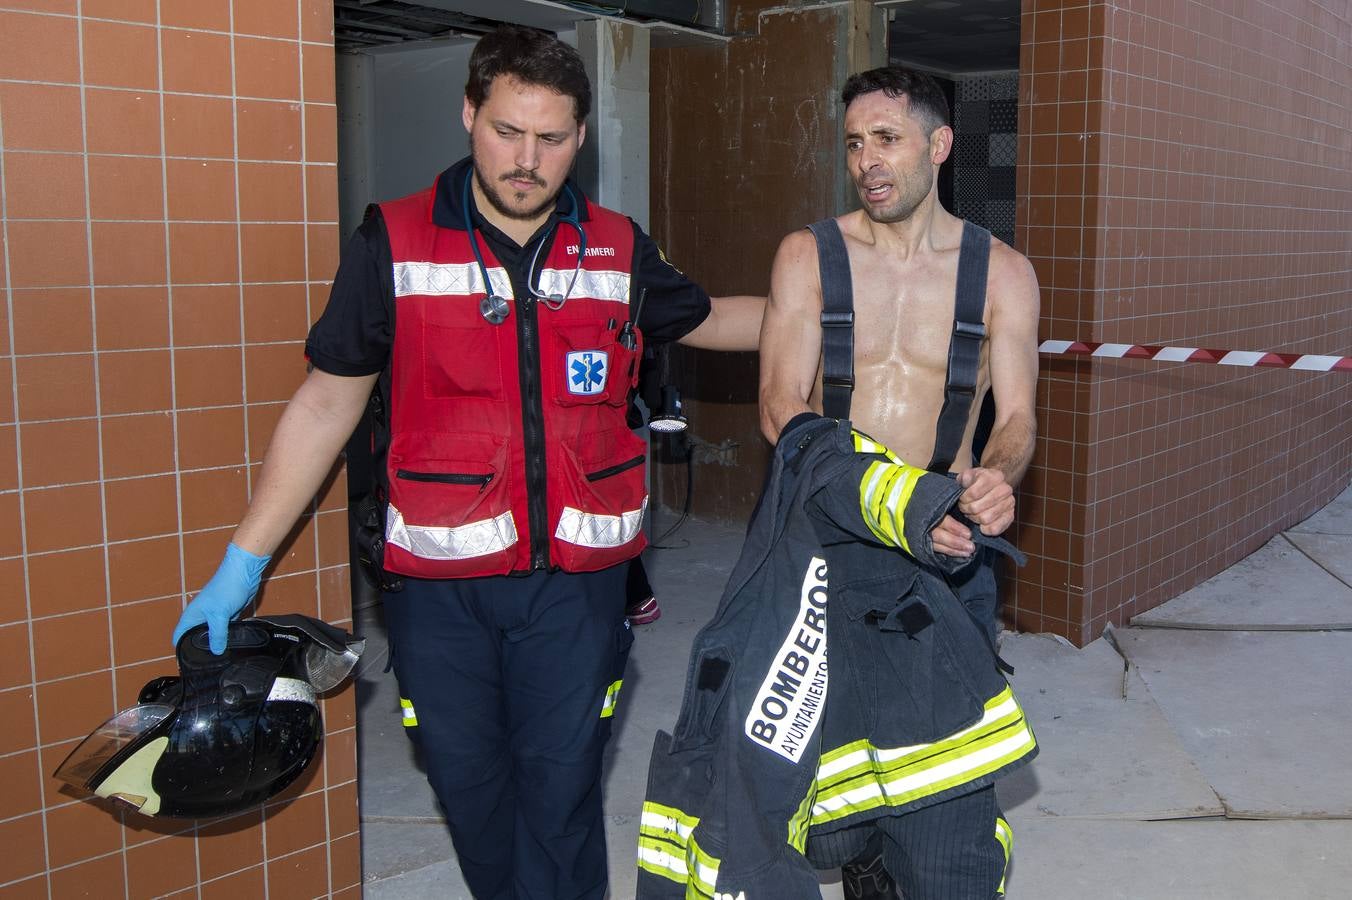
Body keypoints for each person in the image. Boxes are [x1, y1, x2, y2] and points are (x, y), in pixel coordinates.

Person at [171, 25, 762, 900]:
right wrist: (241, 564)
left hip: (577, 587)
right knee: (472, 795)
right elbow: (327, 403)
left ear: (580, 138)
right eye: (507, 132)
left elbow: (718, 320)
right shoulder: (394, 243)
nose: (528, 159)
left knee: (560, 798)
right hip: (438, 595)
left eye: (552, 138)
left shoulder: (615, 244)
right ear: (468, 116)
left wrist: (859, 309)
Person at [758, 65, 1040, 899]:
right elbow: (780, 407)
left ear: (940, 145)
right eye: (854, 144)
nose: (867, 161)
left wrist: (997, 474)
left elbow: (1018, 416)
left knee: (945, 784)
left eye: (887, 139)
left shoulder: (1003, 274)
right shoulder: (809, 255)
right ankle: (866, 861)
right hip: (829, 545)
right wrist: (874, 498)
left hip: (949, 551)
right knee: (835, 802)